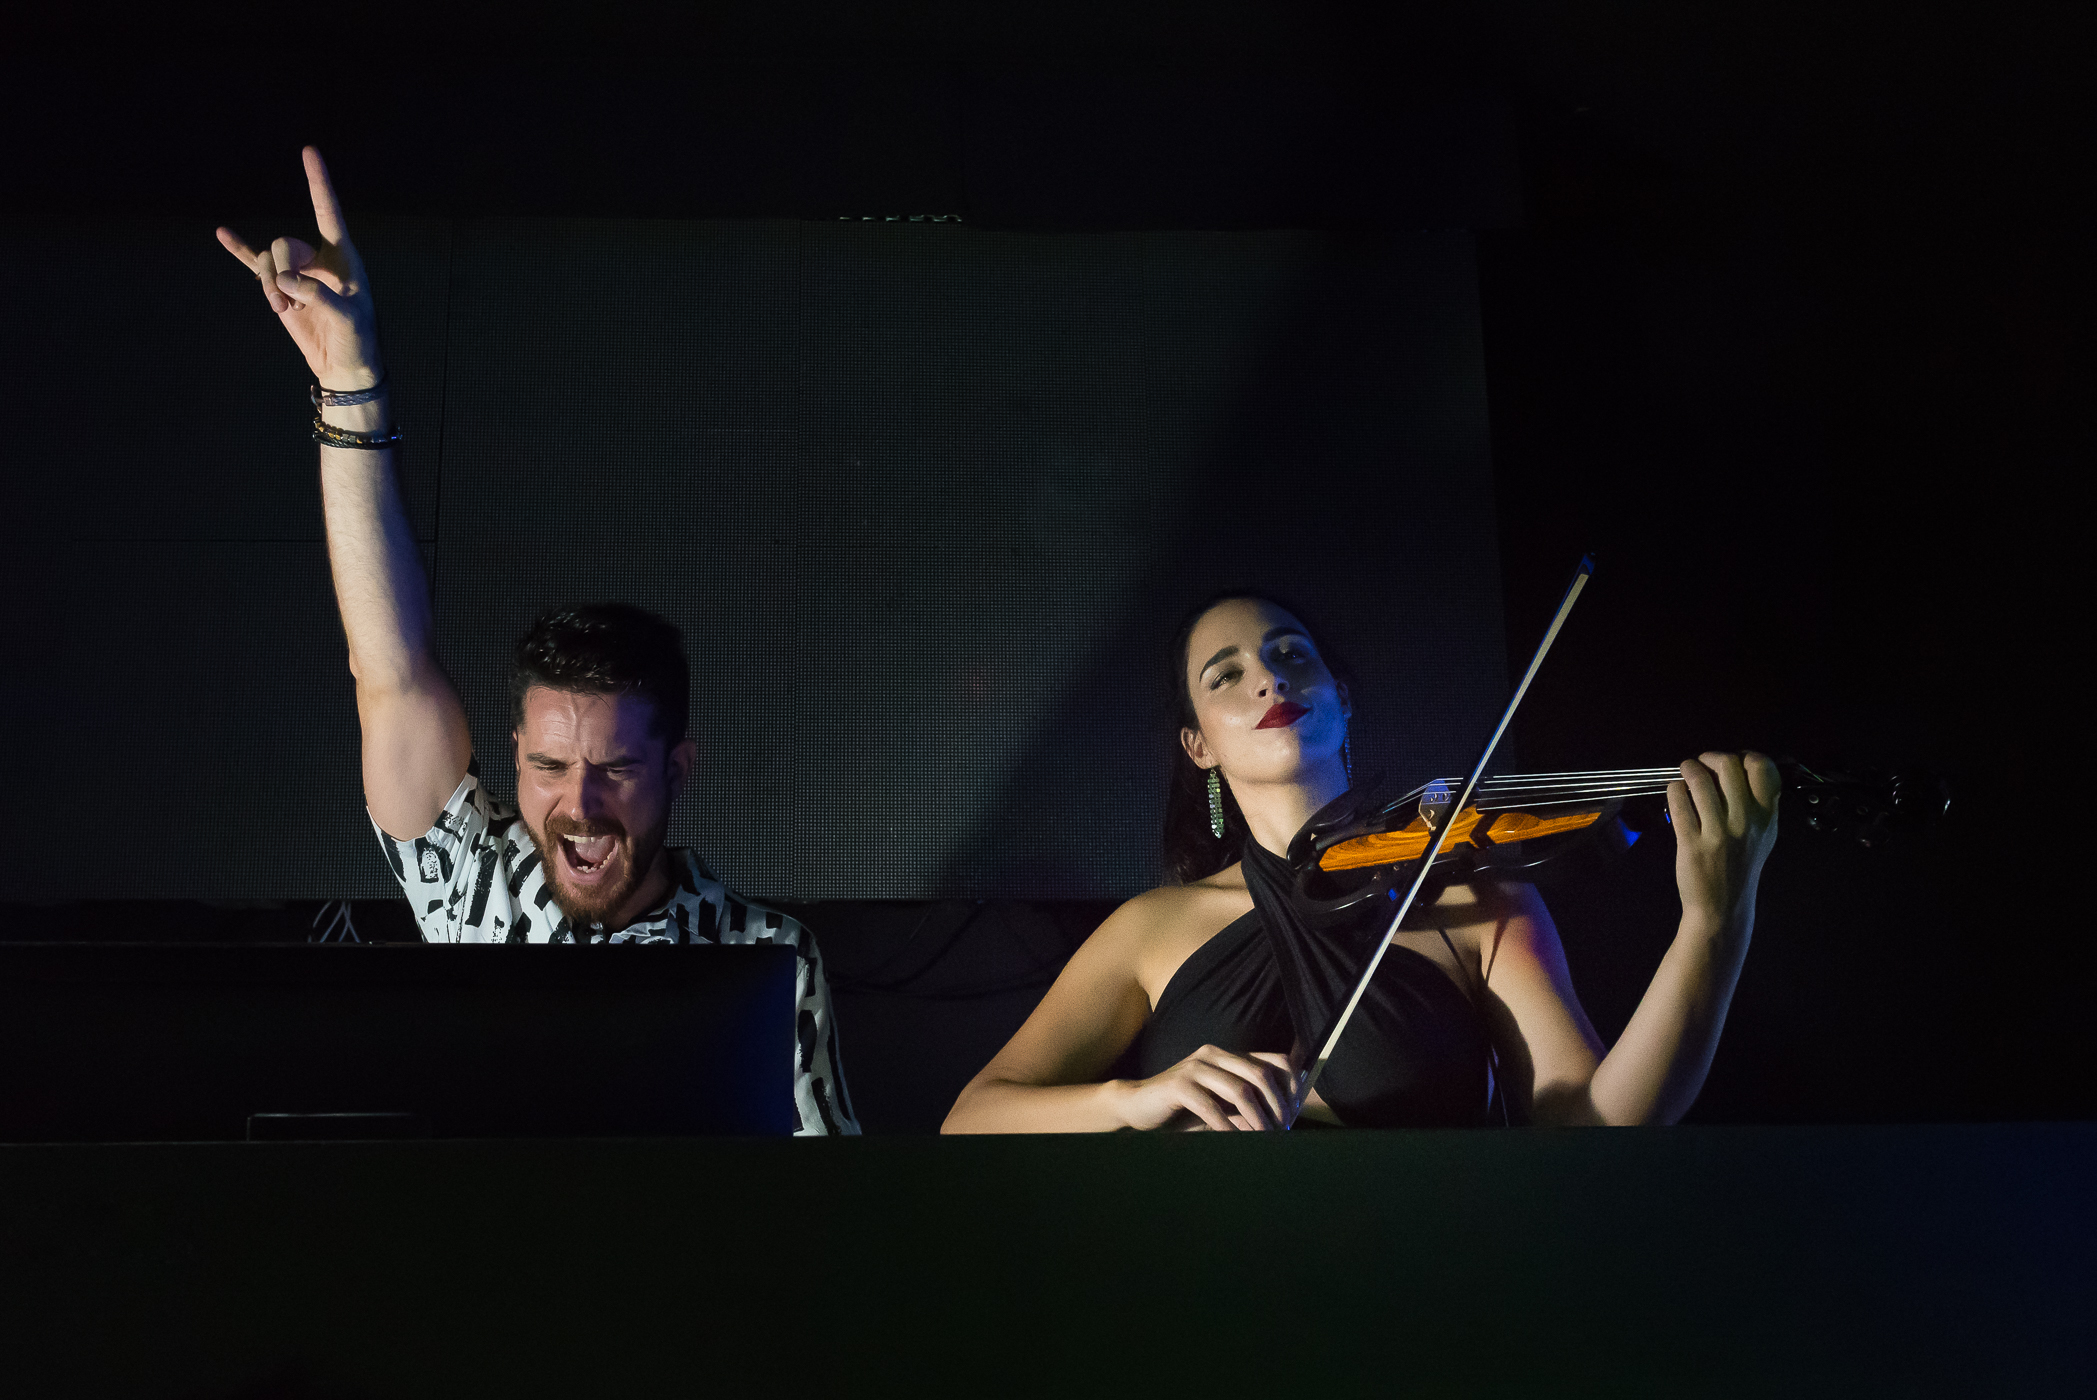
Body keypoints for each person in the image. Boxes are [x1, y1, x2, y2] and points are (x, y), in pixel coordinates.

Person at [216, 147, 858, 1135]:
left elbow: (832, 1198)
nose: (580, 804)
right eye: (552, 763)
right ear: (513, 753)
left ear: (680, 765)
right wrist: (352, 387)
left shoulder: (765, 956)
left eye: (617, 769)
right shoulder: (471, 883)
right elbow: (389, 673)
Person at [942, 593, 1779, 1131]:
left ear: (1341, 698)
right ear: (1197, 745)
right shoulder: (1150, 928)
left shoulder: (1476, 901)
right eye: (1226, 674)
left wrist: (1713, 922)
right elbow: (974, 1117)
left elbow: (1592, 1126)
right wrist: (1134, 1101)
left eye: (1289, 653)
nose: (1267, 677)